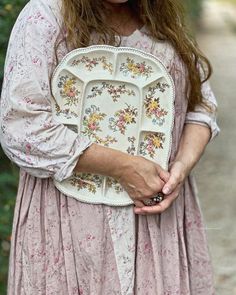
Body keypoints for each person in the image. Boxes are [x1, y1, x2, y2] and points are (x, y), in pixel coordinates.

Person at [0, 0, 220, 294]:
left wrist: (181, 166)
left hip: (157, 222)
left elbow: (201, 106)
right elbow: (21, 127)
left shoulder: (160, 18)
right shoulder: (45, 16)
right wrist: (123, 167)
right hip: (71, 223)